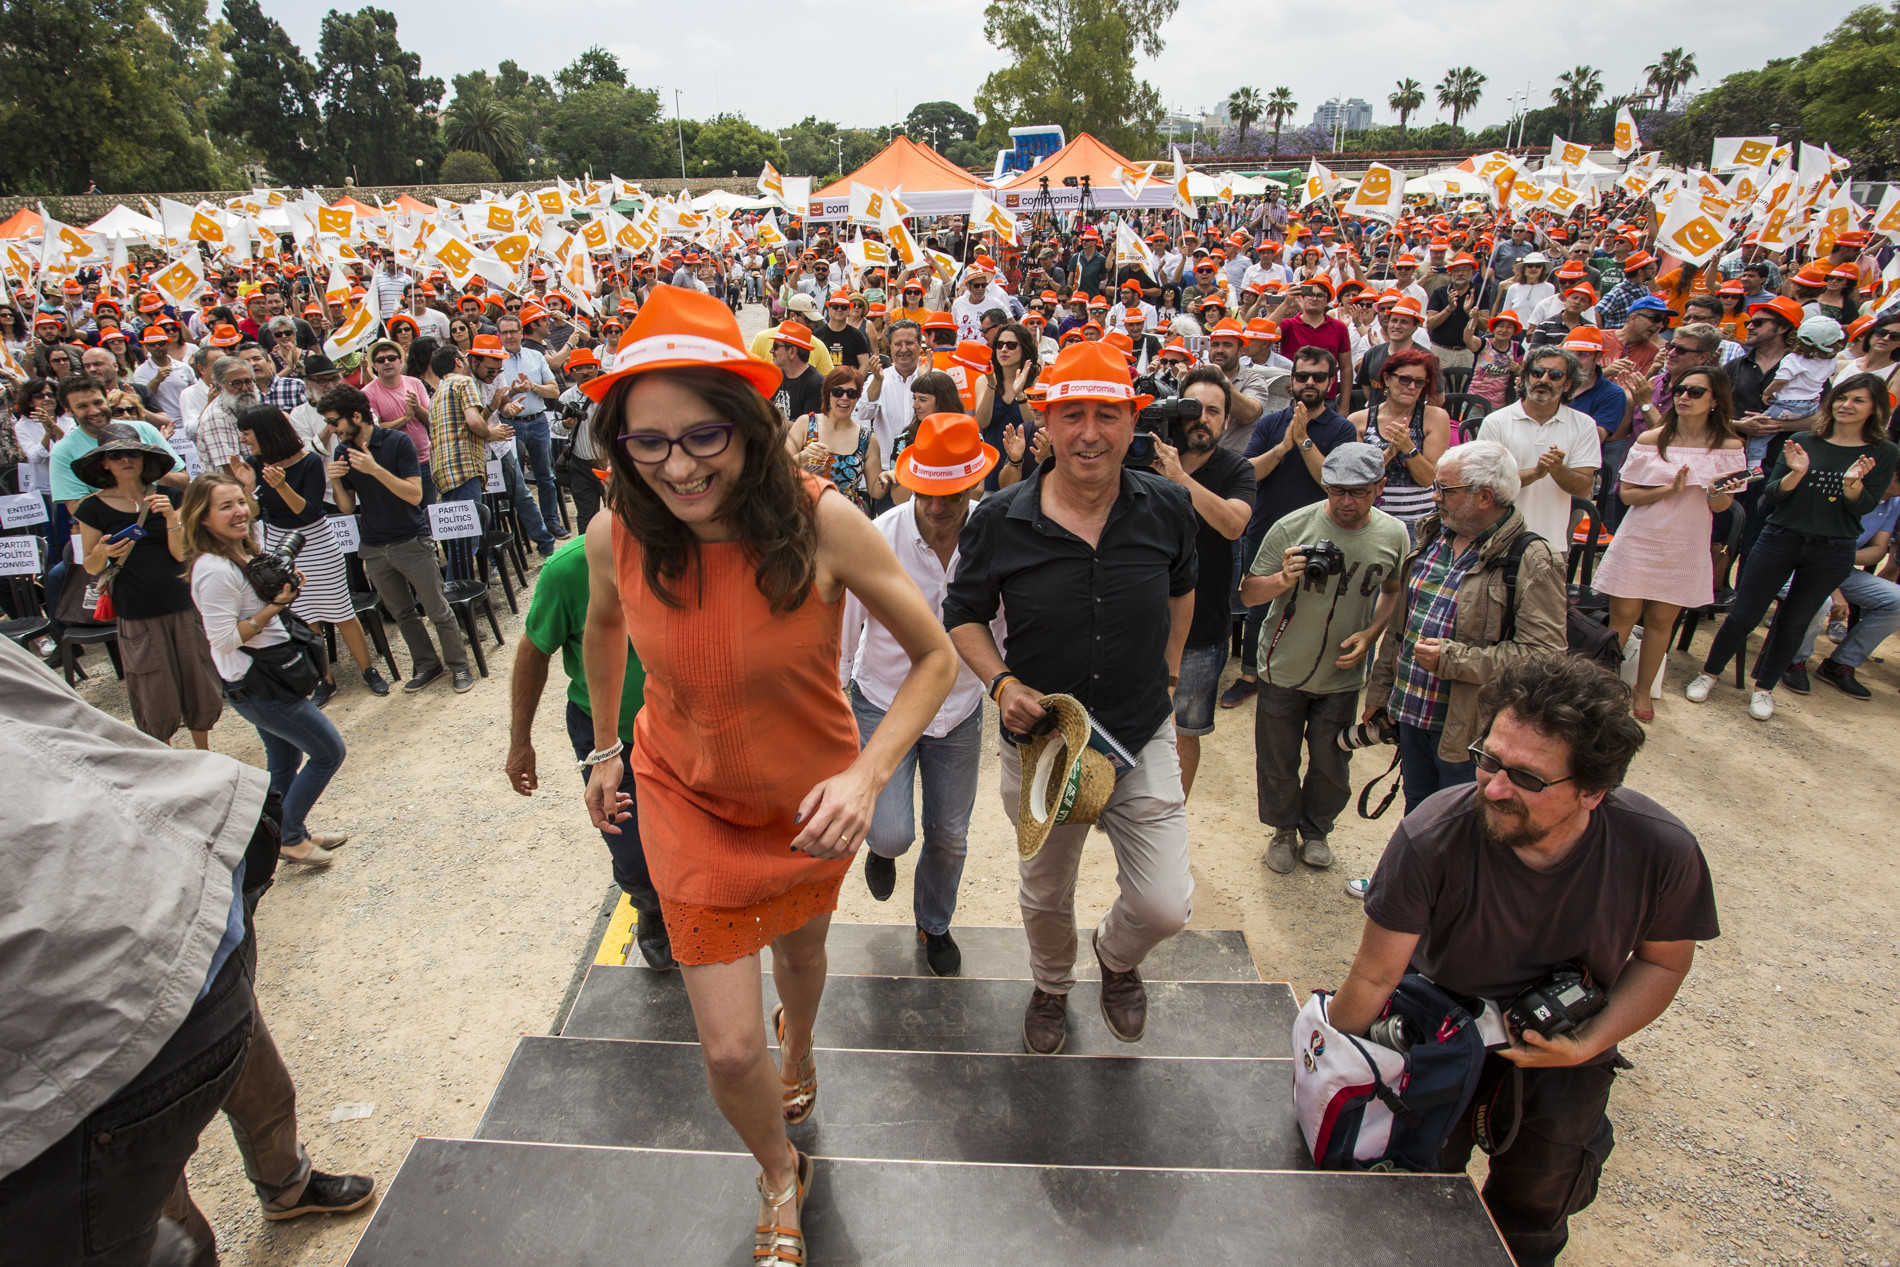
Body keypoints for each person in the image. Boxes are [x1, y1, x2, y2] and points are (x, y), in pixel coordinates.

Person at [578, 286, 957, 1265]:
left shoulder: (824, 521)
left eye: (701, 434)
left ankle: (804, 1047)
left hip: (808, 801)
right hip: (684, 796)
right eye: (646, 442)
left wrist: (870, 777)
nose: (677, 463)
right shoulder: (614, 529)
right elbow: (605, 625)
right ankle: (781, 1170)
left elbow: (935, 658)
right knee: (727, 1048)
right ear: (619, 445)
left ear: (745, 424)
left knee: (799, 961)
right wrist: (607, 745)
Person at [1330, 654, 1718, 1267]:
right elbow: (1375, 975)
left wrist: (1589, 1044)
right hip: (1440, 1029)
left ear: (1594, 790)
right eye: (1489, 759)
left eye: (1528, 778)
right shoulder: (1433, 834)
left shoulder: (1659, 850)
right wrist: (1336, 1069)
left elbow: (1665, 964)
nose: (1494, 787)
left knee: (1537, 1205)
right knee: (1415, 1187)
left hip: (1568, 1040)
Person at [943, 340, 1199, 1057]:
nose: (1091, 432)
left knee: (1165, 904)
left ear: (1133, 422)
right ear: (1046, 422)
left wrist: (1172, 674)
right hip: (1044, 744)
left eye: (1108, 414)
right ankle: (1052, 984)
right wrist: (1001, 682)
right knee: (1046, 891)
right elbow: (960, 614)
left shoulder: (1169, 508)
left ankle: (1117, 958)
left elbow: (1183, 592)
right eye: (1074, 414)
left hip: (1140, 731)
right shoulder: (998, 518)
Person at [841, 413, 996, 977]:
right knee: (891, 830)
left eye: (950, 494)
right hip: (883, 699)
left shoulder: (992, 535)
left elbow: (1003, 621)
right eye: (926, 492)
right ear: (910, 482)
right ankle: (882, 853)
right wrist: (837, 687)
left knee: (951, 836)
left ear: (973, 484)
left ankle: (934, 924)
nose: (936, 507)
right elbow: (848, 618)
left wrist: (1005, 680)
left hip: (958, 708)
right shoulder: (880, 535)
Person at [1362, 440, 1568, 817]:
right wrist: (1381, 690)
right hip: (1412, 714)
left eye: (1445, 489)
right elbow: (1400, 626)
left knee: (1461, 824)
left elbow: (1544, 656)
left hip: (1472, 731)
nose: (1435, 496)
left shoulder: (1532, 559)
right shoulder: (1432, 536)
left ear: (1484, 496)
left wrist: (1452, 659)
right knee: (1420, 812)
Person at [1687, 374, 1900, 721]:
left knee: (1796, 620)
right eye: (1842, 398)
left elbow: (1863, 508)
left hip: (1833, 547)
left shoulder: (1883, 452)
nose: (1846, 405)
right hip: (1782, 536)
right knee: (1745, 613)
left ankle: (1764, 688)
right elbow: (1772, 496)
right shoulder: (1804, 440)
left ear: (1874, 408)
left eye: (1858, 400)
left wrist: (1851, 486)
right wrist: (1796, 474)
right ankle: (1708, 673)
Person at [508, 537, 674, 970]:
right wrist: (520, 741)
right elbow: (533, 651)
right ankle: (649, 907)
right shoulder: (568, 570)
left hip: (686, 734)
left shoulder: (697, 548)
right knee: (634, 856)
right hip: (610, 739)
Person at [1242, 442, 1407, 873]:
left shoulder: (1393, 535)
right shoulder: (1292, 527)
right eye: (1337, 491)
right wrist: (1282, 578)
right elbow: (1247, 592)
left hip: (1342, 675)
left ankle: (1316, 832)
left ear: (1380, 488)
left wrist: (1371, 634)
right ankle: (1281, 830)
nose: (1347, 502)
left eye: (1360, 492)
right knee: (1277, 758)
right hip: (1283, 666)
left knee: (1332, 761)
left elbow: (1394, 591)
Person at [182, 472, 350, 865]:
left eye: (240, 502)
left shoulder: (239, 552)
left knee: (285, 761)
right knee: (328, 751)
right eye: (225, 507)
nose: (239, 512)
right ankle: (290, 835)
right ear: (201, 517)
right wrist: (275, 607)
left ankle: (281, 835)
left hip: (270, 678)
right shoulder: (214, 571)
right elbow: (222, 638)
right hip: (258, 684)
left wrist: (284, 595)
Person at [1594, 367, 1747, 722]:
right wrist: (1669, 489)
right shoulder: (1651, 440)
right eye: (1680, 389)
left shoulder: (1729, 446)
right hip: (1642, 536)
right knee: (1622, 619)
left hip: (1686, 541)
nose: (1684, 397)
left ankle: (1642, 689)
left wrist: (1715, 491)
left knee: (1662, 621)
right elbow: (1627, 495)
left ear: (1714, 400)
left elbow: (1722, 506)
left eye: (1695, 391)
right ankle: (1602, 686)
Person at [1222, 347, 1358, 709]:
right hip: (1268, 529)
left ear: (1331, 383)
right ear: (1292, 381)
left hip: (1321, 532)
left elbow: (1335, 483)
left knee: (1316, 606)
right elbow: (1249, 472)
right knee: (1257, 606)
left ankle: (1304, 679)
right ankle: (1251, 675)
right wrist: (1283, 446)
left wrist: (1305, 441)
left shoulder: (1342, 428)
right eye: (1302, 376)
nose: (1309, 383)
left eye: (1318, 377)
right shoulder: (1269, 423)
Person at [320, 384, 475, 695]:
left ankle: (459, 666)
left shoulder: (397, 442)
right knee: (402, 613)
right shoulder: (343, 451)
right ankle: (427, 665)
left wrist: (375, 470)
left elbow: (414, 494)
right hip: (375, 546)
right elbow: (348, 507)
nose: (331, 429)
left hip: (410, 540)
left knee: (436, 609)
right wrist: (335, 480)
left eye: (334, 421)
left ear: (355, 416)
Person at [1160, 366, 1256, 796]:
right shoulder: (1148, 454)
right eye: (1194, 409)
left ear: (1227, 419)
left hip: (1202, 628)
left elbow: (1234, 524)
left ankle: (1170, 814)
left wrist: (1178, 478)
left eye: (1214, 412)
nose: (1203, 419)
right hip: (1137, 617)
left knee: (1184, 731)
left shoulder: (1237, 470)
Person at [1785, 474, 1900, 698]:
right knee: (1821, 601)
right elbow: (1817, 550)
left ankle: (1840, 664)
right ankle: (1793, 660)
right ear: (1893, 475)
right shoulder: (1848, 491)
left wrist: (1840, 560)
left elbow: (1878, 549)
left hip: (1841, 568)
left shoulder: (1893, 504)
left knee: (1896, 601)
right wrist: (1834, 590)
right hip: (1798, 565)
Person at [1478, 349, 1601, 555]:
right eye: (1537, 372)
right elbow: (1485, 485)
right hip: (1497, 542)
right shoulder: (1496, 422)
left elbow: (1583, 489)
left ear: (1568, 384)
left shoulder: (1584, 425)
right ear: (1525, 377)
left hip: (1551, 545)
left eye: (1555, 375)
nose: (1544, 380)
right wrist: (1535, 473)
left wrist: (1557, 470)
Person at [1351, 346, 1451, 530]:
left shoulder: (1436, 418)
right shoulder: (1359, 420)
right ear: (1387, 379)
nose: (1411, 387)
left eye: (1419, 382)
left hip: (1420, 524)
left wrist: (1408, 449)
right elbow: (1358, 477)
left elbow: (1428, 479)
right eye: (1405, 380)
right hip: (1372, 522)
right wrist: (1390, 453)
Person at [495, 314, 565, 533]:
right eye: (504, 332)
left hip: (537, 421)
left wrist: (533, 386)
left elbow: (554, 390)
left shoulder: (536, 356)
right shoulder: (495, 361)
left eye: (512, 331)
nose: (509, 336)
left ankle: (552, 522)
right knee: (515, 479)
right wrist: (513, 392)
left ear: (520, 332)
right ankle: (529, 527)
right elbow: (491, 398)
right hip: (508, 424)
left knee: (545, 475)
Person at [787, 367, 880, 511]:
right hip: (805, 512)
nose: (844, 398)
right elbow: (779, 468)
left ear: (857, 398)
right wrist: (801, 458)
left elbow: (876, 491)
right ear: (827, 394)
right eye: (837, 392)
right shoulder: (806, 423)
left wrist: (893, 477)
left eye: (851, 393)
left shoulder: (867, 439)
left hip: (846, 517)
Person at [768, 320, 825, 422]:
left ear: (792, 352)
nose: (771, 350)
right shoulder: (776, 376)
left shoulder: (816, 384)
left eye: (775, 346)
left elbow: (809, 430)